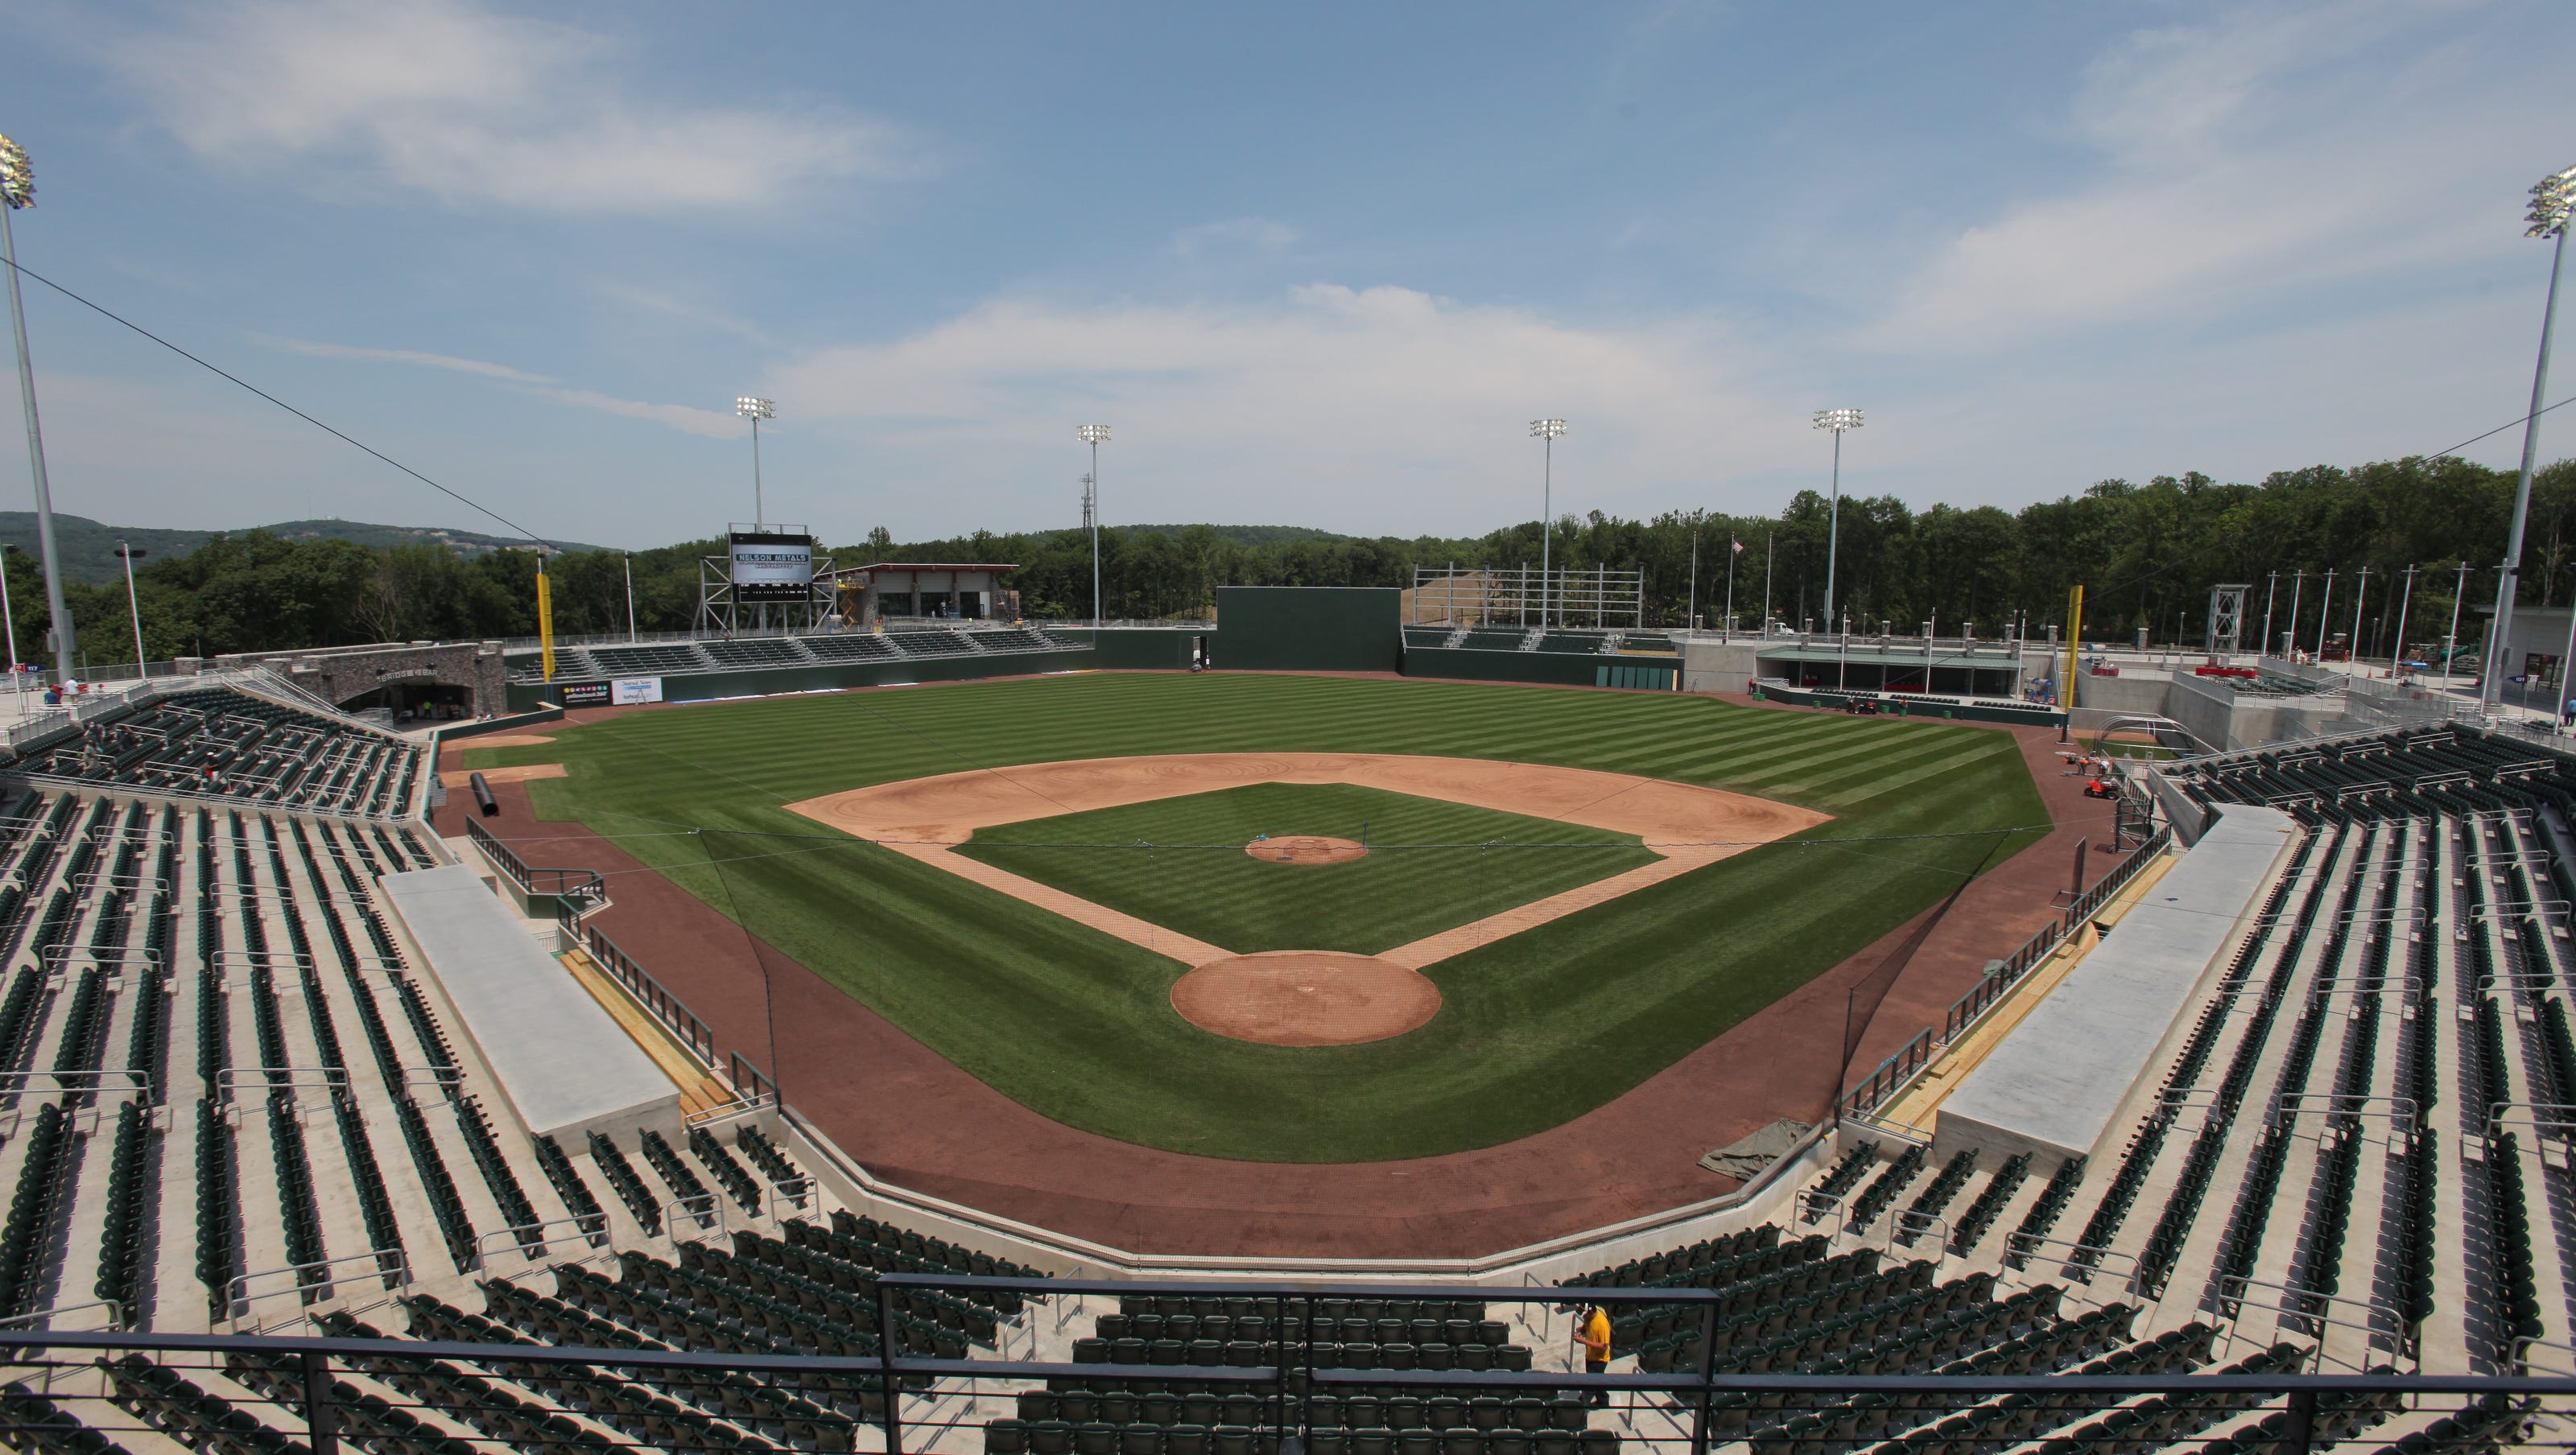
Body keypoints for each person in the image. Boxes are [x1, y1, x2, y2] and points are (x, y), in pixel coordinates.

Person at [1574, 1304, 1611, 1405]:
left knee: (1590, 1386)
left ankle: (1579, 1408)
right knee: (1597, 1381)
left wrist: (1583, 1341)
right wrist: (1581, 1331)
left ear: (1590, 1313)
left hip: (1599, 1360)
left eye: (1585, 1314)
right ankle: (1603, 1401)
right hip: (1590, 1356)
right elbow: (1586, 1325)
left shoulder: (1602, 1324)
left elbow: (1604, 1346)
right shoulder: (1589, 1317)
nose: (1584, 1317)